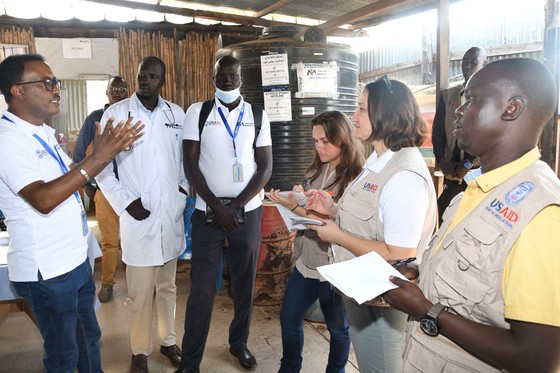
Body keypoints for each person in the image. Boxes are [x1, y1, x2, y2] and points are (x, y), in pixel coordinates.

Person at [384, 58, 560, 372]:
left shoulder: (540, 215)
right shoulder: (476, 190)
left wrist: (427, 310)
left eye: (473, 99)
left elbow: (536, 357)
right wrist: (421, 270)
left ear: (512, 108)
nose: (460, 110)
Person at [0, 54, 142, 372]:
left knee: (89, 338)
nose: (56, 89)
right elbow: (43, 199)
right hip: (48, 272)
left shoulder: (43, 133)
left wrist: (102, 156)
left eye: (57, 82)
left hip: (74, 262)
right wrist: (98, 157)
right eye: (46, 82)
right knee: (64, 355)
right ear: (17, 91)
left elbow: (69, 184)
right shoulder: (7, 140)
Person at [305, 76, 437, 373]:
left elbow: (398, 250)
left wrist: (336, 235)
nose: (354, 118)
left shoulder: (404, 175)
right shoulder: (379, 162)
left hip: (385, 300)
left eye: (362, 109)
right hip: (364, 290)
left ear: (386, 113)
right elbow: (373, 220)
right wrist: (334, 209)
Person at [176, 55, 273, 373]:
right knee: (202, 290)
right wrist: (217, 206)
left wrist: (235, 206)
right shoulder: (198, 112)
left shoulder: (256, 115)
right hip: (207, 212)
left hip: (248, 212)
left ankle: (238, 343)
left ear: (241, 78)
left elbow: (265, 167)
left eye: (232, 75)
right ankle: (190, 362)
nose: (227, 80)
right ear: (214, 76)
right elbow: (190, 164)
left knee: (245, 284)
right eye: (222, 75)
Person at [96, 56, 188, 373]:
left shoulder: (176, 114)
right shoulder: (117, 114)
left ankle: (168, 340)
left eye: (153, 76)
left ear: (163, 80)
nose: (145, 80)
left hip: (169, 217)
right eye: (141, 75)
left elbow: (184, 162)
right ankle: (139, 351)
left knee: (167, 288)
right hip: (137, 218)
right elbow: (102, 170)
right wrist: (125, 202)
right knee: (139, 291)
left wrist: (183, 191)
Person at [268, 110, 365, 373]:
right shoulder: (315, 170)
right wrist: (295, 202)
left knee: (337, 328)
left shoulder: (356, 177)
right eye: (315, 140)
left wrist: (296, 208)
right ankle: (289, 368)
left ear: (342, 138)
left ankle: (336, 370)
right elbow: (310, 214)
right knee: (289, 318)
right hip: (307, 260)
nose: (319, 147)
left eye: (325, 141)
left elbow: (339, 224)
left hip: (334, 264)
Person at [73, 76, 128, 303]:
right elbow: (78, 155)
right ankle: (107, 283)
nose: (117, 92)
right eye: (113, 89)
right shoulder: (95, 118)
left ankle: (141, 282)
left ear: (127, 92)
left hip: (133, 190)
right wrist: (88, 184)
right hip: (106, 190)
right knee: (109, 242)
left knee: (138, 237)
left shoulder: (131, 117)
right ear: (107, 92)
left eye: (121, 89)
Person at [432, 46, 487, 223]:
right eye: (464, 62)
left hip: (476, 172)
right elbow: (438, 130)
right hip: (452, 170)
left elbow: (488, 135)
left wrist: (467, 163)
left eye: (473, 61)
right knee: (440, 215)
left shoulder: (490, 97)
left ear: (484, 65)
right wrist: (441, 162)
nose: (467, 65)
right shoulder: (449, 96)